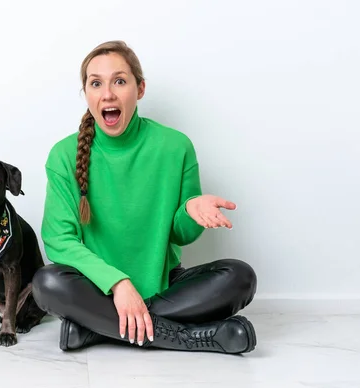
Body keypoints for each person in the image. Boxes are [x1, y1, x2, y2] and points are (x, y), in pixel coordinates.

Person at [31, 40, 257, 354]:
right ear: (86, 93)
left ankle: (99, 328)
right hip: (96, 287)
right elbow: (59, 240)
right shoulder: (64, 154)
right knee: (47, 283)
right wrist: (118, 284)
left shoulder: (176, 146)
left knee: (240, 277)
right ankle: (194, 338)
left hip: (165, 284)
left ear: (140, 88)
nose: (107, 93)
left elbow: (181, 234)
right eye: (96, 83)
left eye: (119, 81)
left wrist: (191, 210)